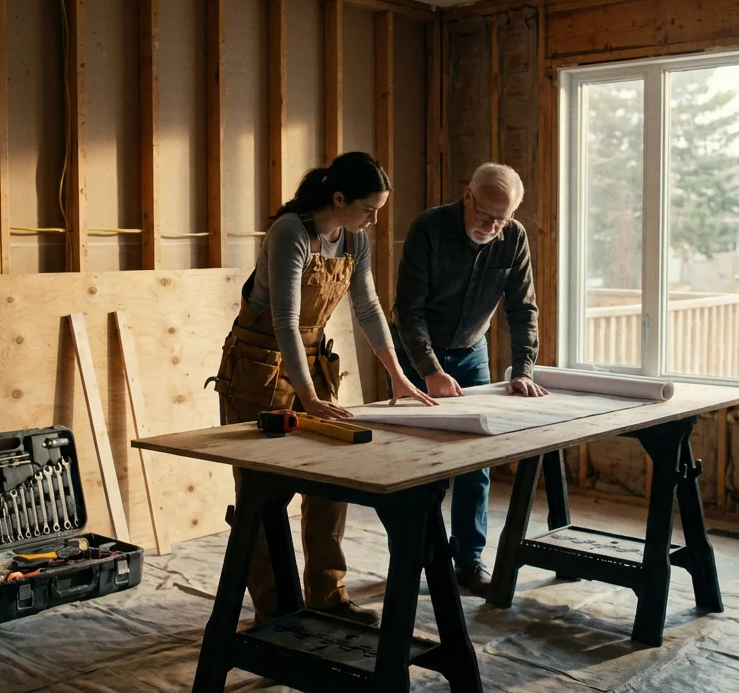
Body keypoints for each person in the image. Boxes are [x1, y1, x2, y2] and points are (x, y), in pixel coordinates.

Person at [208, 151, 436, 627]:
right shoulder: (292, 230)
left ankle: (327, 597)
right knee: (262, 493)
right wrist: (307, 396)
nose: (373, 220)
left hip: (312, 362)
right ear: (338, 198)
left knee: (331, 481)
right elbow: (284, 321)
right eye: (368, 209)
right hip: (258, 366)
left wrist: (397, 374)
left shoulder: (353, 238)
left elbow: (369, 307)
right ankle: (273, 609)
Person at [390, 161, 547, 596]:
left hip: (471, 352)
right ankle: (412, 556)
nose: (491, 226)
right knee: (415, 464)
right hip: (416, 353)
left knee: (476, 463)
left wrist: (523, 369)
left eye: (502, 219)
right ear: (467, 195)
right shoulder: (429, 229)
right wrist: (430, 371)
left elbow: (522, 309)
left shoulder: (512, 238)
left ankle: (468, 560)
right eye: (484, 216)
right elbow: (408, 311)